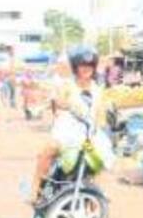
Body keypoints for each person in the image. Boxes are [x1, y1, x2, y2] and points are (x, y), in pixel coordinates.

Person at [29, 46, 108, 201]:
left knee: (97, 162)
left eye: (89, 66)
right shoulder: (67, 85)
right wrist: (64, 104)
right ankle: (35, 189)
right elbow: (57, 99)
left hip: (87, 137)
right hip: (67, 133)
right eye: (82, 66)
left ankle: (95, 200)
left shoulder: (98, 90)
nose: (86, 69)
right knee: (47, 151)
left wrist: (101, 124)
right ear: (75, 68)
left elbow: (101, 114)